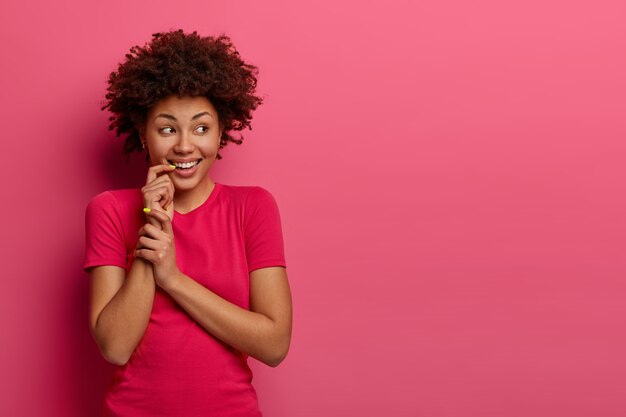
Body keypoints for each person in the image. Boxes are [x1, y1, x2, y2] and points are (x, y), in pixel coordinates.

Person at [83, 29, 292, 417]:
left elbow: (274, 345)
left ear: (221, 133)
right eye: (166, 129)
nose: (183, 145)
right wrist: (153, 227)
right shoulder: (109, 210)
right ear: (143, 134)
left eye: (200, 128)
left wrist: (173, 278)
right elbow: (115, 346)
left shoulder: (253, 207)